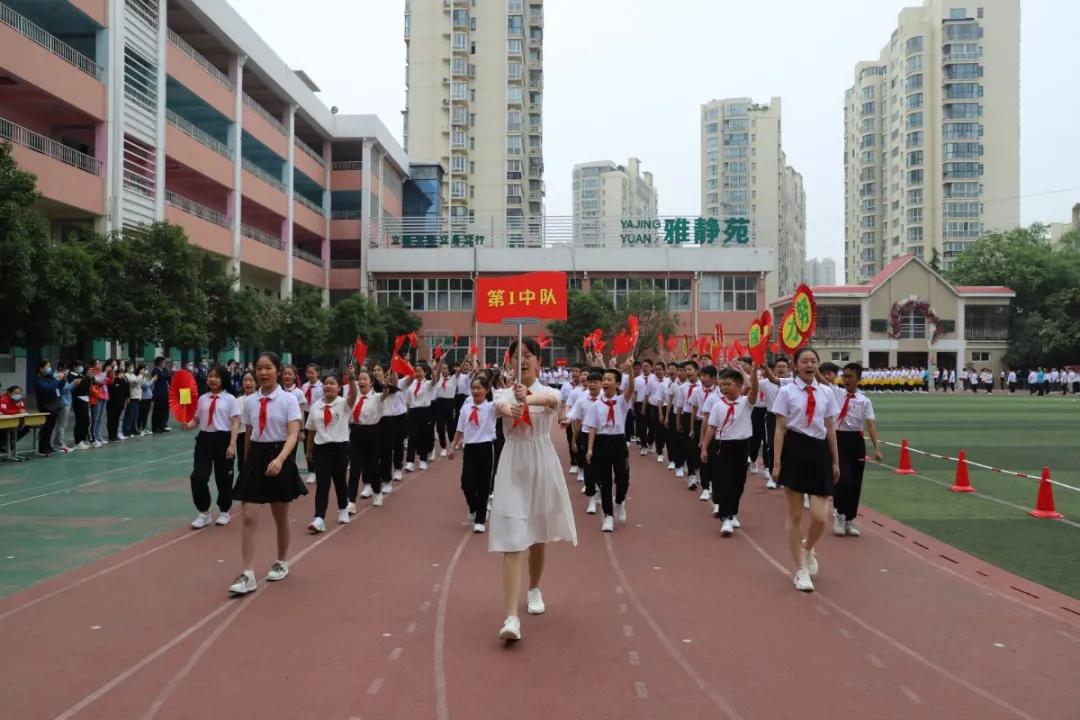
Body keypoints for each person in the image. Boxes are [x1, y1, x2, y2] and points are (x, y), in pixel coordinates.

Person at [490, 338, 578, 642]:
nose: (522, 361)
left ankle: (534, 588)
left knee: (538, 535)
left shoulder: (549, 390)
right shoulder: (502, 392)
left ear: (538, 361)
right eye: (516, 357)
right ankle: (511, 616)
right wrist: (511, 405)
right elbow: (500, 406)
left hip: (542, 462)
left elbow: (553, 403)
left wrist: (527, 399)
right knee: (513, 538)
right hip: (514, 463)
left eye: (527, 356)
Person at [229, 352, 305, 596]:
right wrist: (248, 462)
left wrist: (281, 459)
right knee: (249, 515)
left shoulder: (288, 400)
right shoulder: (250, 401)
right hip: (257, 457)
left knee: (280, 514)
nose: (263, 373)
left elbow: (293, 434)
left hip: (279, 454)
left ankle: (281, 561)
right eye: (259, 368)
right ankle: (248, 573)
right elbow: (250, 432)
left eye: (268, 368)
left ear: (278, 370)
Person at [771, 347, 840, 593]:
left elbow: (830, 426)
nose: (809, 365)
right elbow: (779, 429)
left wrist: (835, 461)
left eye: (813, 361)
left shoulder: (827, 392)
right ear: (795, 364)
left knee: (821, 517)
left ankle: (808, 547)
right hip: (795, 448)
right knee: (795, 515)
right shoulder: (787, 391)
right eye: (804, 361)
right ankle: (800, 570)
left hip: (819, 451)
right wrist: (777, 463)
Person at [700, 365, 759, 536]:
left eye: (728, 384)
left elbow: (754, 388)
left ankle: (732, 513)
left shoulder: (746, 403)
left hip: (741, 447)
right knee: (723, 481)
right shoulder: (718, 406)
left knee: (738, 482)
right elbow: (711, 428)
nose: (724, 388)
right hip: (722, 446)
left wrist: (753, 371)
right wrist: (704, 447)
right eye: (722, 385)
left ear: (739, 386)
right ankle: (726, 518)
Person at [584, 359, 637, 532]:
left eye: (609, 379)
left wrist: (629, 368)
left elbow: (631, 389)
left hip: (618, 441)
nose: (605, 382)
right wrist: (590, 448)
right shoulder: (595, 406)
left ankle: (620, 501)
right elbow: (592, 428)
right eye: (604, 380)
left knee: (623, 479)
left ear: (617, 384)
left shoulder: (622, 401)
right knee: (604, 482)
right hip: (601, 442)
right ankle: (608, 516)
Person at [184, 365, 240, 529]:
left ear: (223, 379)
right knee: (198, 477)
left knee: (224, 478)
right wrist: (189, 424)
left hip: (223, 438)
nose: (212, 380)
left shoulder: (230, 399)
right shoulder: (202, 399)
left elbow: (235, 422)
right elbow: (196, 420)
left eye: (216, 377)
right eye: (210, 376)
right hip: (204, 439)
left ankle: (224, 511)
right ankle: (204, 512)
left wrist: (232, 444)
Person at [449, 373, 497, 533]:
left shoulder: (491, 408)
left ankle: (480, 519)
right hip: (469, 448)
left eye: (479, 388)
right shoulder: (466, 407)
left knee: (483, 484)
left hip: (485, 447)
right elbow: (460, 428)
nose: (476, 391)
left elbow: (504, 402)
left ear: (486, 390)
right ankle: (474, 507)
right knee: (466, 483)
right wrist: (452, 446)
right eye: (473, 388)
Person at [305, 373, 351, 532]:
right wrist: (308, 449)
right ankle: (319, 518)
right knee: (323, 484)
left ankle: (343, 508)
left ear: (339, 387)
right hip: (321, 449)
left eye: (332, 383)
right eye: (326, 383)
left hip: (340, 447)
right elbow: (311, 429)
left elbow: (354, 396)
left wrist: (351, 379)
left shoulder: (344, 403)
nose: (328, 386)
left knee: (339, 481)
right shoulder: (315, 406)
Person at [346, 367, 384, 510]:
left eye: (364, 379)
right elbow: (351, 389)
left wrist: (386, 385)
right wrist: (351, 377)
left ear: (371, 382)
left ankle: (377, 492)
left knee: (372, 466)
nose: (361, 381)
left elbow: (385, 394)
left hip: (372, 433)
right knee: (354, 468)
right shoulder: (353, 397)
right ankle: (351, 501)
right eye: (359, 379)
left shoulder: (377, 397)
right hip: (355, 432)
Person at [569, 368, 603, 510]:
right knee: (588, 468)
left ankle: (600, 492)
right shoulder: (582, 400)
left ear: (601, 383)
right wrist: (573, 440)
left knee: (602, 468)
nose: (592, 385)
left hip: (602, 437)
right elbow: (577, 421)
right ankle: (591, 498)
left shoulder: (606, 400)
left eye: (595, 382)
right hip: (584, 435)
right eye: (590, 382)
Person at [401, 360, 441, 472]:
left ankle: (423, 460)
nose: (417, 373)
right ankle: (410, 462)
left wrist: (433, 370)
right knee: (412, 437)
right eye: (416, 371)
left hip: (425, 412)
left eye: (419, 371)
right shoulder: (411, 384)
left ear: (425, 372)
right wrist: (407, 413)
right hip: (413, 413)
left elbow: (435, 380)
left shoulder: (428, 384)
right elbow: (408, 401)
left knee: (423, 437)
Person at [377, 364, 408, 494]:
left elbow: (394, 385)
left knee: (396, 445)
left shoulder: (394, 383)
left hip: (396, 417)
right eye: (374, 370)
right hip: (378, 420)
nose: (376, 372)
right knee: (380, 451)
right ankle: (377, 478)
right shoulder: (370, 386)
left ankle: (396, 470)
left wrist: (394, 368)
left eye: (379, 370)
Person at [33, 360, 64, 456]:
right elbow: (48, 389)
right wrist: (58, 380)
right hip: (45, 406)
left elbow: (58, 388)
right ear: (41, 369)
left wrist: (62, 380)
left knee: (51, 427)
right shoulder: (38, 379)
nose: (49, 368)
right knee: (46, 427)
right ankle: (43, 447)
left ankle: (48, 445)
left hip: (54, 405)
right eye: (47, 366)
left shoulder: (50, 377)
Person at [233, 369, 257, 493]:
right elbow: (234, 421)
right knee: (242, 462)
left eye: (251, 380)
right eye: (245, 380)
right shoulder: (237, 401)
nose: (248, 383)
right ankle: (245, 487)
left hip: (258, 436)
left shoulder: (260, 399)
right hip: (242, 435)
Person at [151, 357, 171, 433]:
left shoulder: (163, 370)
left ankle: (161, 425)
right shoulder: (155, 371)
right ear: (159, 363)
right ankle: (155, 427)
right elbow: (162, 377)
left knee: (163, 410)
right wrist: (168, 374)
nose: (164, 364)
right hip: (158, 393)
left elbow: (168, 378)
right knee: (157, 411)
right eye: (163, 362)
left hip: (164, 393)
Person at [122, 362, 142, 440]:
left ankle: (133, 429)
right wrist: (140, 376)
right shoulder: (126, 375)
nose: (132, 367)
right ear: (127, 367)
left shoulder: (133, 375)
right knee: (129, 415)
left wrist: (139, 378)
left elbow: (139, 382)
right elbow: (134, 382)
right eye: (131, 366)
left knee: (135, 415)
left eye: (133, 366)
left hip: (137, 396)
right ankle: (127, 431)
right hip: (131, 397)